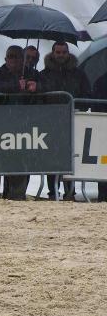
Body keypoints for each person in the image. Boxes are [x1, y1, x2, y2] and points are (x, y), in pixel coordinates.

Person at [0, 45, 43, 200]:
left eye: (16, 56)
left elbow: (48, 87)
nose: (12, 60)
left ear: (22, 59)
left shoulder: (32, 73)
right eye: (9, 56)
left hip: (24, 124)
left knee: (20, 159)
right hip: (2, 123)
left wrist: (36, 87)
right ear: (5, 59)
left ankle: (16, 194)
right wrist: (15, 87)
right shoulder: (0, 72)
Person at [40, 41, 91, 200]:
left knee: (72, 157)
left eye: (63, 52)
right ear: (53, 53)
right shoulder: (44, 74)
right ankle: (52, 192)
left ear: (68, 53)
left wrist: (78, 107)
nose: (61, 55)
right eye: (58, 52)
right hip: (51, 122)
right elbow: (40, 98)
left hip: (73, 121)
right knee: (51, 158)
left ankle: (70, 192)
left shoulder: (79, 74)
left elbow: (86, 95)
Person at [92, 73, 107, 202]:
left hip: (102, 127)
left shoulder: (101, 80)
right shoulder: (102, 81)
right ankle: (103, 196)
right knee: (103, 162)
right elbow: (96, 106)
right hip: (103, 129)